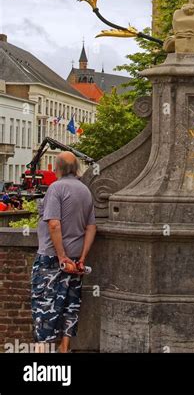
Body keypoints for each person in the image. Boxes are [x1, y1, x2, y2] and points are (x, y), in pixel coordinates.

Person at [31, 151, 96, 353]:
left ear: (57, 168)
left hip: (52, 258)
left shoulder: (56, 188)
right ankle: (64, 347)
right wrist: (82, 258)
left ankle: (43, 352)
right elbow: (91, 227)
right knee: (70, 304)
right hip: (76, 261)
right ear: (76, 169)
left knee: (44, 303)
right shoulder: (85, 191)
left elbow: (54, 224)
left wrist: (61, 257)